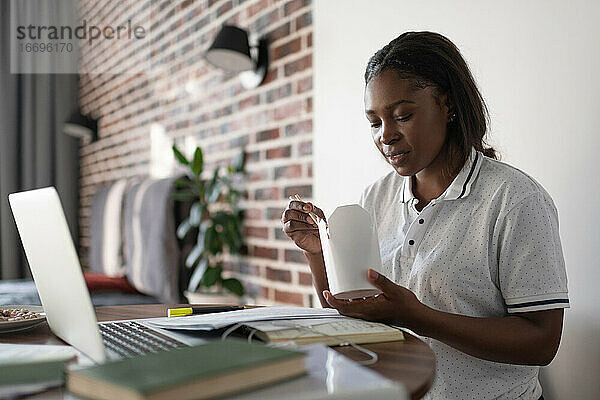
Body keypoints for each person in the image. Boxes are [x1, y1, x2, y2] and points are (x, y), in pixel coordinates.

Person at [281, 31, 569, 400]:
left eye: (402, 116)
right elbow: (355, 313)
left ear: (447, 104)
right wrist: (319, 252)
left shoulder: (514, 200)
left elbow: (542, 342)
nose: (386, 136)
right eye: (374, 122)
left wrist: (418, 317)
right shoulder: (375, 197)